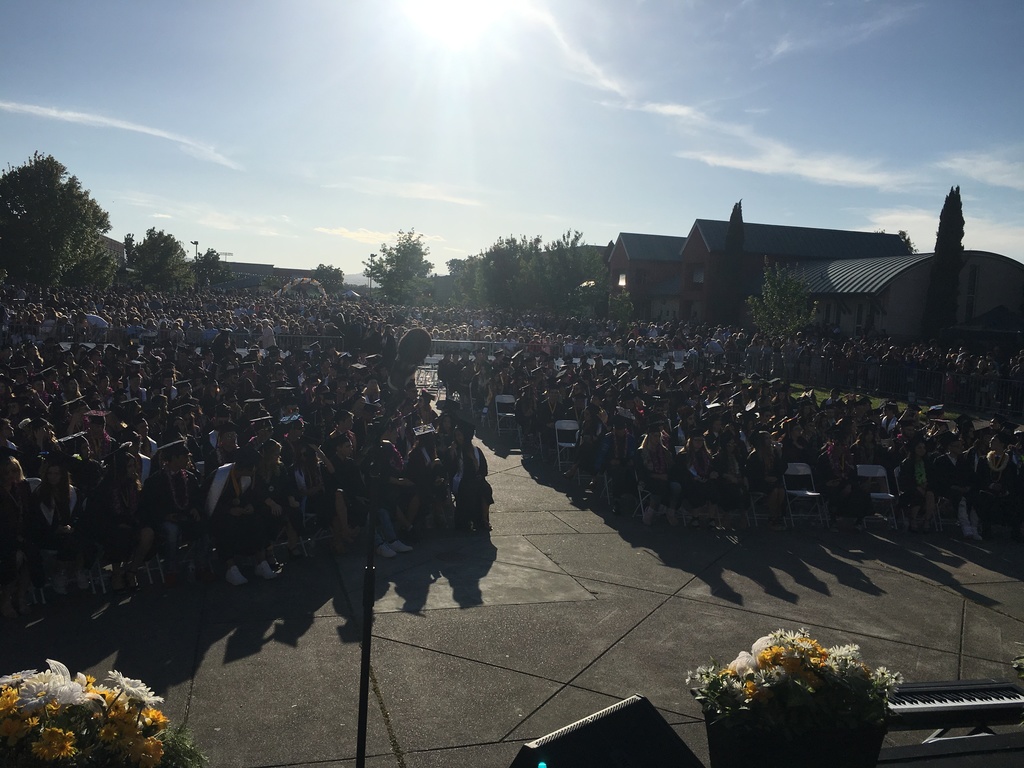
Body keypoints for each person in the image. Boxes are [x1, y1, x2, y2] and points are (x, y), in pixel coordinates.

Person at [206, 446, 279, 585]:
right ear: (244, 468)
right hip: (220, 516)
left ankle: (261, 562)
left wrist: (250, 506)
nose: (254, 471)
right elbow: (208, 502)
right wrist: (228, 510)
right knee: (226, 524)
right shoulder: (219, 476)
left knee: (258, 520)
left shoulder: (248, 477)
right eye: (252, 468)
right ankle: (230, 568)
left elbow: (253, 496)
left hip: (241, 514)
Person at [450, 419, 493, 533]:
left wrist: (480, 475)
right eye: (457, 435)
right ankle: (468, 521)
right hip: (462, 480)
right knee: (469, 490)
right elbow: (452, 469)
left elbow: (484, 468)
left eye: (460, 435)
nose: (458, 438)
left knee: (486, 489)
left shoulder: (476, 450)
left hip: (476, 479)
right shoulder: (456, 450)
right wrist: (452, 454)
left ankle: (484, 519)